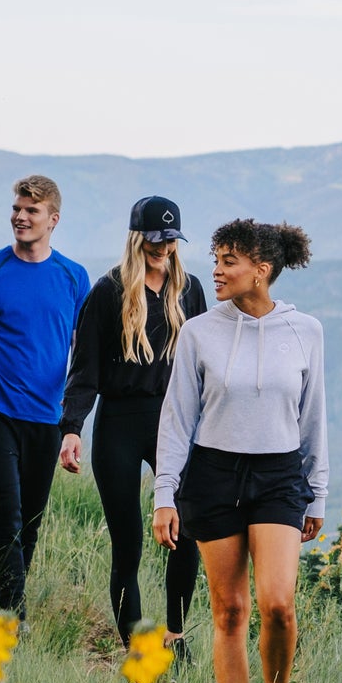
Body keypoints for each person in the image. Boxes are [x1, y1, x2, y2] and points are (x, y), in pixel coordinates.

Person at [153, 219, 326, 683]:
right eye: (217, 257)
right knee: (228, 610)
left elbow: (313, 416)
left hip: (278, 475)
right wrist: (165, 494)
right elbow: (176, 418)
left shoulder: (306, 332)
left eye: (230, 260)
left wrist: (316, 493)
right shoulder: (200, 332)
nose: (217, 270)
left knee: (278, 603)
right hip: (214, 474)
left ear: (262, 270)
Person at [60, 196, 208, 653]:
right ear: (136, 237)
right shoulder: (108, 291)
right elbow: (84, 368)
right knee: (128, 544)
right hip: (120, 422)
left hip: (176, 420)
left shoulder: (190, 290)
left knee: (185, 534)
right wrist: (71, 428)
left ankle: (176, 636)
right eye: (155, 237)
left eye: (170, 238)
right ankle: (136, 650)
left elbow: (208, 363)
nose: (163, 245)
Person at [0, 176, 90, 618]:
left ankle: (9, 604)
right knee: (4, 510)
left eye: (32, 211)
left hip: (45, 415)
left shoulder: (73, 277)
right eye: (17, 209)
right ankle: (12, 616)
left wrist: (73, 424)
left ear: (53, 220)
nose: (20, 217)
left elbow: (81, 355)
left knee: (30, 520)